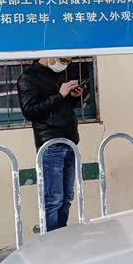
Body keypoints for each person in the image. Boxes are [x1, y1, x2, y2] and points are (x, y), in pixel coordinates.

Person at [17, 58, 84, 232]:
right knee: (53, 199)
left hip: (70, 141)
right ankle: (51, 240)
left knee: (67, 197)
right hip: (50, 143)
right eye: (63, 59)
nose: (65, 64)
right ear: (49, 55)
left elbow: (62, 107)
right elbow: (30, 111)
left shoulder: (59, 74)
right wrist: (59, 95)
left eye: (68, 61)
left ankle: (61, 235)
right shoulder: (28, 78)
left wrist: (73, 97)